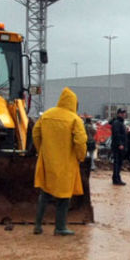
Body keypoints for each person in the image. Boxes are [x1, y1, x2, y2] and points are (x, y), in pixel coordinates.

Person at [32, 87, 87, 236]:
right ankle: (60, 227)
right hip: (66, 163)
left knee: (44, 194)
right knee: (64, 197)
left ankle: (37, 225)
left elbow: (35, 134)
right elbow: (80, 141)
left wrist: (41, 151)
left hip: (47, 160)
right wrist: (81, 157)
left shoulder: (46, 116)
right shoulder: (75, 119)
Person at [110, 107, 128, 185]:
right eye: (122, 113)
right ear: (119, 114)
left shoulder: (120, 122)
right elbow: (116, 134)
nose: (124, 114)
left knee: (119, 163)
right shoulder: (117, 122)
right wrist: (120, 144)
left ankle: (116, 178)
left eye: (124, 113)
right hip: (117, 146)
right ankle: (116, 179)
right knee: (117, 162)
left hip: (120, 145)